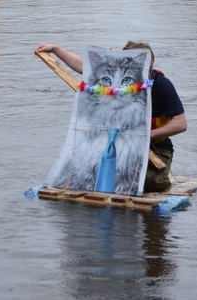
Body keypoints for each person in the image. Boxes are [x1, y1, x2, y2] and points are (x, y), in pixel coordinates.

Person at [36, 42, 187, 192]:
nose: (144, 72)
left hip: (155, 147)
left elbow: (180, 123)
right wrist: (56, 49)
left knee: (146, 182)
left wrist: (145, 136)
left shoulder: (162, 85)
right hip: (113, 143)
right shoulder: (115, 77)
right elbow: (83, 66)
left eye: (147, 68)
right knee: (86, 175)